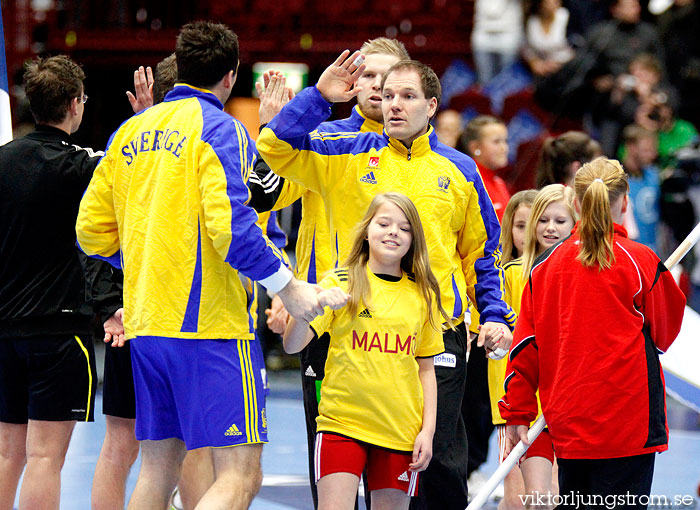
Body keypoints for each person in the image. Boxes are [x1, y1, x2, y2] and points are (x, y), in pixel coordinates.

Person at [76, 21, 324, 510]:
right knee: (240, 475)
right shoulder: (221, 129)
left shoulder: (128, 132)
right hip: (211, 327)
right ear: (230, 77)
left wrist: (147, 258)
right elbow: (231, 230)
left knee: (156, 471)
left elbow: (89, 230)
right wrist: (288, 286)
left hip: (146, 324)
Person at [257, 52, 515, 510]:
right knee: (337, 465)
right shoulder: (346, 151)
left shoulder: (459, 170)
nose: (393, 104)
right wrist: (318, 97)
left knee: (440, 467)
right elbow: (273, 148)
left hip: (437, 333)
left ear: (432, 106)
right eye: (388, 95)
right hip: (351, 329)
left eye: (407, 96)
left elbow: (482, 254)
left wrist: (493, 314)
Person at [258, 37, 410, 510]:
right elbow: (258, 199)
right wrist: (287, 287)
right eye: (366, 76)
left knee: (405, 470)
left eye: (388, 80)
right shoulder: (320, 142)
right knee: (330, 469)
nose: (377, 87)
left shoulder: (425, 155)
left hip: (403, 327)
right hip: (328, 321)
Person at [500, 157, 686, 510]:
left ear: (574, 202)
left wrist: (517, 413)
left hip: (569, 423)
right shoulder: (642, 261)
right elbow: (664, 334)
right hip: (629, 424)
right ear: (626, 201)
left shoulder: (545, 268)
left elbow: (525, 347)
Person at [284, 192, 448, 510]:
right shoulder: (341, 282)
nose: (392, 232)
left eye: (404, 228)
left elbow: (426, 369)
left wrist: (427, 432)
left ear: (414, 239)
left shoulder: (423, 295)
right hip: (341, 425)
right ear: (366, 229)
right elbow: (292, 345)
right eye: (384, 223)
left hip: (399, 433)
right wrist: (311, 306)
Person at [0, 55, 103, 510]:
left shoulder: (1, 160)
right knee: (44, 457)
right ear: (76, 105)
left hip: (3, 331)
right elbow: (129, 162)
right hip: (58, 333)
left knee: (7, 454)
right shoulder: (81, 166)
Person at [486, 189, 560, 510]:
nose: (541, 229)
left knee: (551, 496)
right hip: (517, 402)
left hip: (561, 400)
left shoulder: (568, 276)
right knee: (518, 498)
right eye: (524, 224)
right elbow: (496, 330)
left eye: (555, 221)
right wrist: (497, 337)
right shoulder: (508, 276)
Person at [456, 114, 511, 491]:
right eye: (497, 141)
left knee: (488, 394)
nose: (505, 148)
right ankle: (469, 463)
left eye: (506, 140)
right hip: (470, 310)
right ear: (475, 147)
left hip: (493, 305)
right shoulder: (468, 181)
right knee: (473, 397)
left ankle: (475, 461)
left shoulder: (501, 185)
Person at [520, 184, 577, 277]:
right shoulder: (512, 273)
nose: (550, 228)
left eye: (560, 221)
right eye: (543, 220)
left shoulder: (581, 271)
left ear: (575, 224)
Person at [621, 124, 661, 252]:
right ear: (631, 147)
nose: (652, 155)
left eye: (653, 150)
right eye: (646, 150)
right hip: (629, 250)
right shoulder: (616, 179)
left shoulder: (654, 175)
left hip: (653, 250)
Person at [523, 0, 575, 78]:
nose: (554, 4)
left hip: (567, 66)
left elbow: (578, 44)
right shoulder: (532, 21)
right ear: (540, 4)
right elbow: (527, 48)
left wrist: (561, 64)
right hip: (542, 70)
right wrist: (535, 63)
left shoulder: (566, 16)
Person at [535, 131, 602, 188]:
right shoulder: (567, 201)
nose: (604, 170)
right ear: (577, 168)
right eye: (598, 165)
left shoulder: (554, 196)